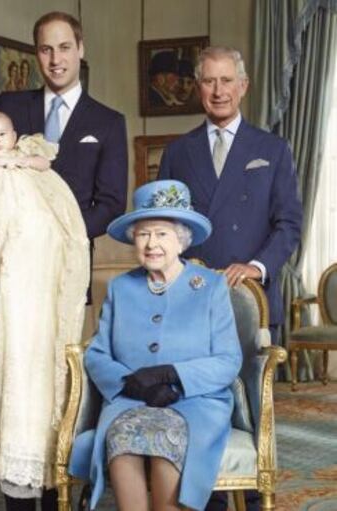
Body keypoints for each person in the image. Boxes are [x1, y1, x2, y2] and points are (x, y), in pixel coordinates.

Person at [158, 46, 302, 511]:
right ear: (197, 88)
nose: (218, 91)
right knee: (200, 408)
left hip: (251, 302)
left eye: (226, 81)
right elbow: (165, 227)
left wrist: (256, 268)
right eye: (208, 81)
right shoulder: (178, 153)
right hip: (193, 304)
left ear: (243, 86)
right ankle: (209, 500)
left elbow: (289, 225)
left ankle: (257, 500)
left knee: (253, 414)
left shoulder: (272, 149)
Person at [68, 179, 243, 511]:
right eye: (143, 234)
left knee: (165, 437)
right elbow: (98, 353)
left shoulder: (210, 287)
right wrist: (132, 385)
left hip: (196, 401)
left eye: (161, 234)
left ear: (181, 240)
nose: (151, 244)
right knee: (122, 437)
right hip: (130, 399)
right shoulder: (122, 287)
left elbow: (228, 359)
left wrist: (171, 375)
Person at [0, 109, 90, 511]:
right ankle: (19, 489)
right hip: (14, 297)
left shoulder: (35, 163)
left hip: (50, 293)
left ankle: (56, 485)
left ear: (14, 134)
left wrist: (20, 159)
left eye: (3, 134)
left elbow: (54, 186)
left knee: (54, 382)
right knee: (17, 385)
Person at [0, 10, 128, 285]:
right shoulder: (7, 105)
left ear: (80, 49)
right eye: (46, 50)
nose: (56, 60)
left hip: (66, 262)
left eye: (64, 48)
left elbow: (111, 204)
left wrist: (59, 231)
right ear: (36, 53)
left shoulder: (109, 122)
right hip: (1, 260)